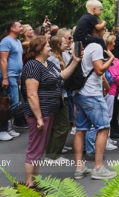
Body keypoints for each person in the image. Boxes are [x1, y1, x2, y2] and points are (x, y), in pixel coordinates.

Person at [21, 36, 81, 186]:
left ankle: (35, 180)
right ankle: (29, 184)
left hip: (50, 111)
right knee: (35, 148)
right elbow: (31, 94)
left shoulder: (49, 64)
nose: (49, 47)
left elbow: (62, 76)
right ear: (39, 49)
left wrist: (75, 61)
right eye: (47, 45)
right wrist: (39, 118)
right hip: (39, 113)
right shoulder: (32, 66)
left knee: (40, 148)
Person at [72, 21, 117, 180]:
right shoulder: (96, 46)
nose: (104, 27)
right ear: (94, 30)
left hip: (79, 92)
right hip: (92, 93)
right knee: (104, 128)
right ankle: (98, 168)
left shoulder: (78, 45)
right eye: (101, 26)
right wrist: (111, 59)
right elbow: (99, 70)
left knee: (81, 129)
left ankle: (79, 168)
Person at [44, 31, 74, 161]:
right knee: (62, 125)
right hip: (59, 96)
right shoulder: (54, 60)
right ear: (57, 45)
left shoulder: (61, 56)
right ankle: (54, 155)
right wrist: (67, 78)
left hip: (61, 95)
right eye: (63, 42)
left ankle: (51, 154)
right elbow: (58, 79)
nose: (67, 44)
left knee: (57, 125)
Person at [0, 21, 25, 140]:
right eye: (19, 26)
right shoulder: (6, 41)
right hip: (8, 76)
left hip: (15, 75)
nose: (21, 28)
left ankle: (7, 127)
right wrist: (5, 78)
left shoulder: (17, 41)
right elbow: (3, 60)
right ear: (12, 28)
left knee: (13, 103)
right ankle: (0, 130)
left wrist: (19, 77)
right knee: (6, 104)